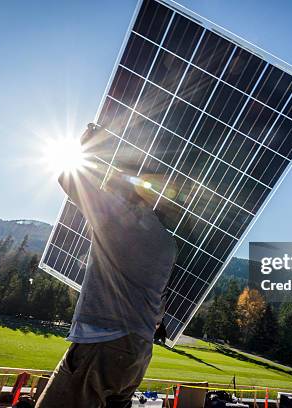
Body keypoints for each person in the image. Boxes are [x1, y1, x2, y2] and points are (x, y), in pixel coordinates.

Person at [36, 125, 177, 408]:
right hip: (138, 353)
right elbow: (160, 303)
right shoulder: (168, 244)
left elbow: (69, 177)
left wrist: (85, 146)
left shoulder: (115, 218)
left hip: (103, 344)